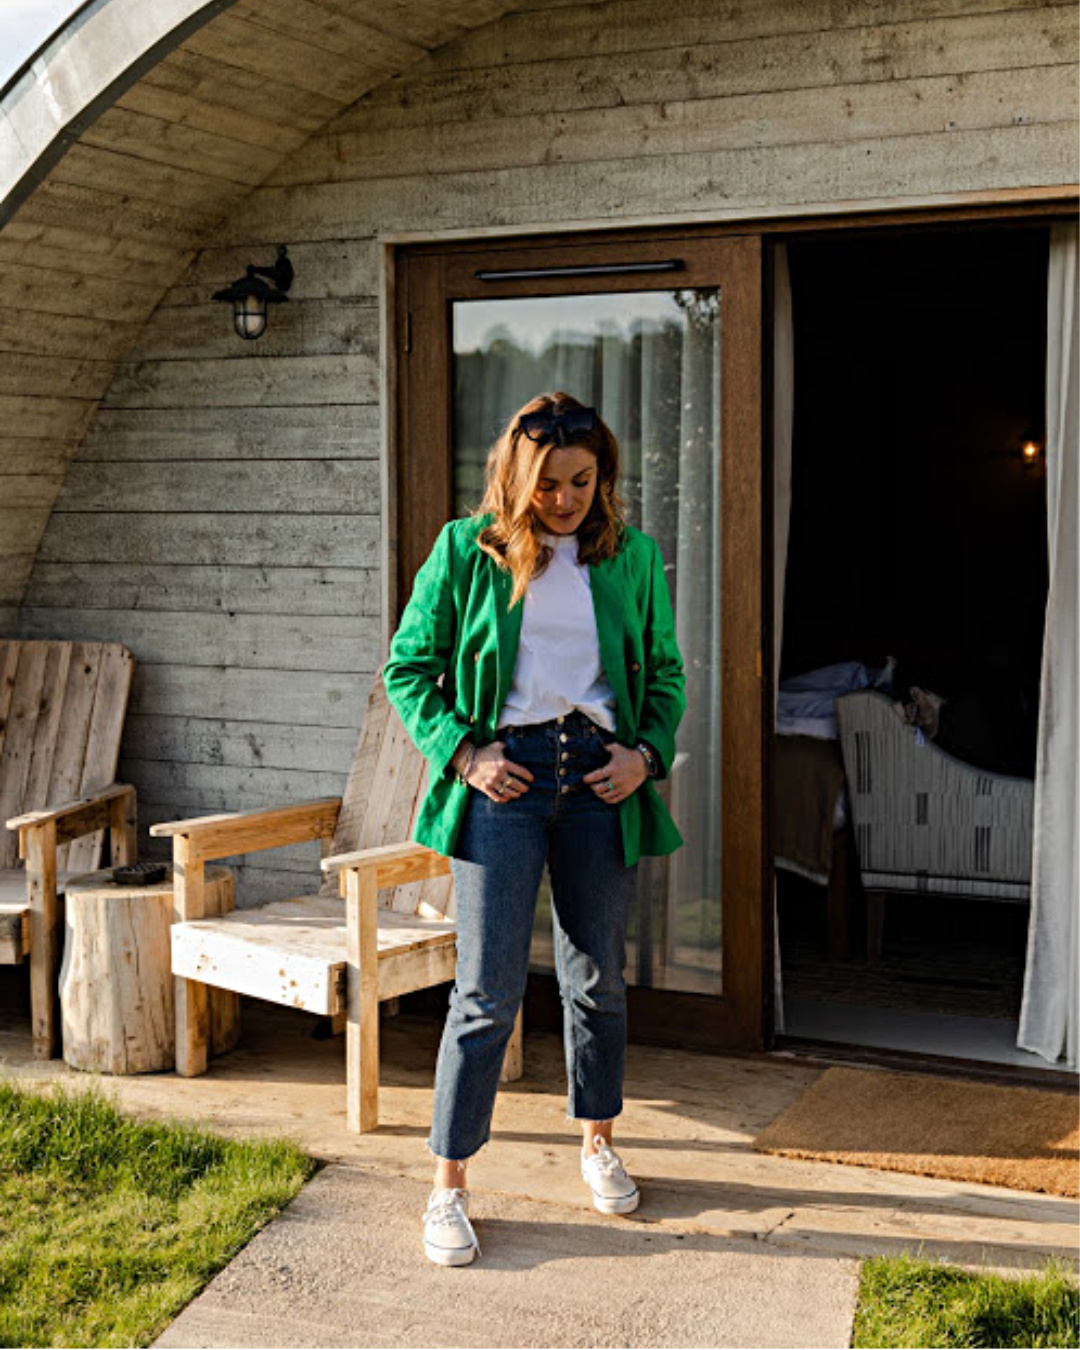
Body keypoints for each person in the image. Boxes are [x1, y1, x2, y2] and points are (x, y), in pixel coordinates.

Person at [382, 391, 686, 1267]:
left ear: (603, 476)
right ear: (515, 478)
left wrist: (645, 756)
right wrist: (463, 753)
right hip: (504, 780)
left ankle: (598, 1142)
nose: (564, 500)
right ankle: (448, 1187)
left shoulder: (630, 557)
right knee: (486, 993)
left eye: (581, 482)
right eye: (547, 484)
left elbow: (666, 674)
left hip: (597, 777)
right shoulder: (465, 550)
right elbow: (409, 669)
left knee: (598, 981)